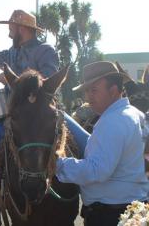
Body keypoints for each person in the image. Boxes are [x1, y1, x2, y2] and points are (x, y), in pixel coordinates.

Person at [0, 9, 59, 225]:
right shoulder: (11, 54)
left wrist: (14, 81)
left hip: (42, 116)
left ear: (22, 27)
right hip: (14, 117)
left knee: (86, 142)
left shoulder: (45, 50)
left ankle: (96, 197)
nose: (9, 30)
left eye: (11, 26)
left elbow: (48, 83)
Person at [56, 61, 149, 226]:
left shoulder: (112, 121)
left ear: (113, 91)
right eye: (86, 91)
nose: (88, 97)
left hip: (110, 215)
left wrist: (56, 164)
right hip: (132, 209)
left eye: (94, 90)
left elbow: (97, 170)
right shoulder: (135, 114)